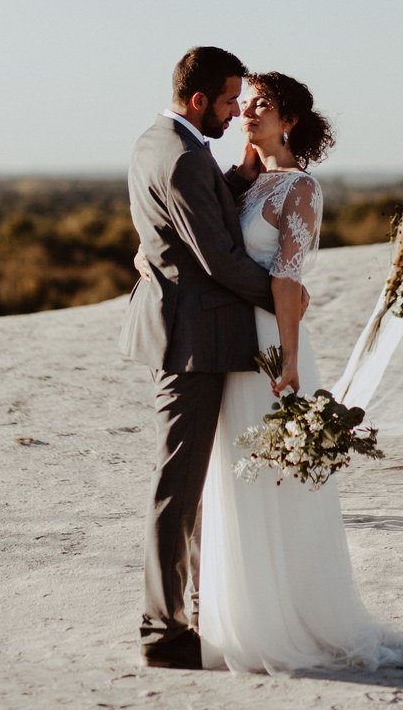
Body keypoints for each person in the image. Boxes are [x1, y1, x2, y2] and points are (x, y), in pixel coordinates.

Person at [193, 71, 403, 673]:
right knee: (236, 475)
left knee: (272, 479)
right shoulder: (242, 182)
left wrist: (289, 361)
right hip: (231, 341)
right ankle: (243, 618)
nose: (248, 112)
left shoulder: (299, 188)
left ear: (289, 120)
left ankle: (289, 622)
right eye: (246, 103)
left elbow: (289, 279)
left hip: (269, 342)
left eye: (262, 105)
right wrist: (241, 168)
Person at [120, 47, 308, 671]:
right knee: (179, 487)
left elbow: (200, 214)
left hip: (193, 333)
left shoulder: (162, 141)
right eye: (230, 102)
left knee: (193, 485)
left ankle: (190, 611)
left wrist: (241, 180)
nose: (235, 113)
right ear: (199, 100)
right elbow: (218, 258)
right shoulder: (180, 157)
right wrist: (285, 303)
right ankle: (162, 631)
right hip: (193, 342)